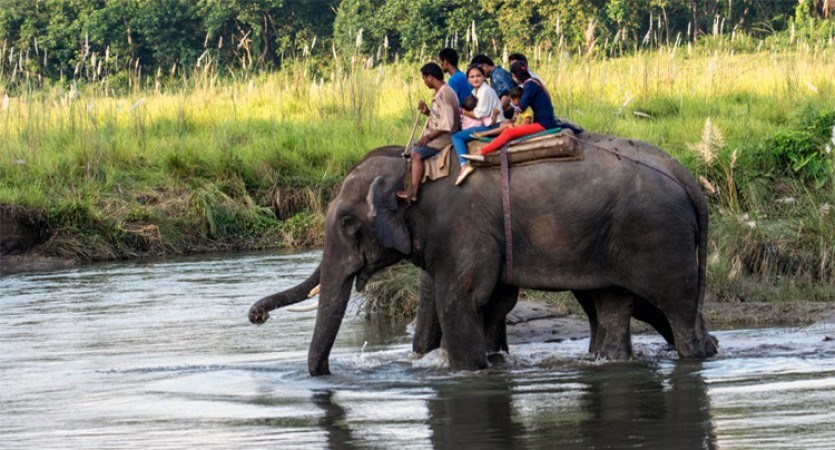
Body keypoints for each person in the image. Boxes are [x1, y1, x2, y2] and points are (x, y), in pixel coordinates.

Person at [462, 61, 557, 161]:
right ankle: (485, 138)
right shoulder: (534, 82)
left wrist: (513, 114)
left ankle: (482, 152)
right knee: (507, 127)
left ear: (514, 76)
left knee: (509, 132)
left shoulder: (529, 85)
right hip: (544, 120)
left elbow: (522, 106)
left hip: (543, 123)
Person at [397, 62, 461, 202]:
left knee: (416, 154)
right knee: (415, 146)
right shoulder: (442, 92)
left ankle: (413, 192)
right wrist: (427, 111)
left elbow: (446, 124)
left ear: (431, 77)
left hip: (446, 136)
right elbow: (440, 116)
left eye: (424, 78)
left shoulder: (445, 94)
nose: (424, 82)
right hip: (440, 133)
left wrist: (428, 138)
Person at [450, 65, 505, 186]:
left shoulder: (485, 91)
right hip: (488, 122)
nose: (475, 79)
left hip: (494, 125)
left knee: (456, 136)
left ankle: (464, 164)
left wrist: (464, 113)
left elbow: (478, 114)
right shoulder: (475, 91)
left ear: (483, 76)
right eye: (472, 77)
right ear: (468, 79)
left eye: (478, 76)